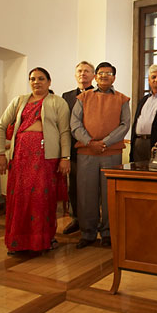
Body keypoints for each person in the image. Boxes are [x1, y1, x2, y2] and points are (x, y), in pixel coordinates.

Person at [0, 67, 71, 254]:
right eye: (32, 79)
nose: (36, 82)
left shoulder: (58, 103)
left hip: (46, 160)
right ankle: (17, 242)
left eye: (41, 78)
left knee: (41, 200)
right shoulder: (19, 101)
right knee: (19, 200)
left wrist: (65, 157)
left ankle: (43, 241)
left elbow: (64, 132)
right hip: (20, 159)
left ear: (49, 82)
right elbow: (0, 127)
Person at [71, 62, 130, 249]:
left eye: (109, 73)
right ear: (95, 77)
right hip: (86, 153)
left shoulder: (122, 99)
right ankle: (87, 233)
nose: (104, 76)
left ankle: (108, 233)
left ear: (114, 77)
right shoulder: (83, 97)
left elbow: (125, 125)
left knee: (109, 194)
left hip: (110, 153)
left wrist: (105, 142)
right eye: (101, 73)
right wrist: (90, 142)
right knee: (86, 194)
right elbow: (75, 124)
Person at [61, 61, 95, 235]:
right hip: (73, 150)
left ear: (93, 75)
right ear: (75, 75)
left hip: (92, 148)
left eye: (87, 71)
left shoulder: (99, 94)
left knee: (91, 188)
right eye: (80, 71)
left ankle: (93, 221)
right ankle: (76, 219)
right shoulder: (66, 96)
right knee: (73, 186)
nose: (83, 74)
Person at [130, 64, 157, 162]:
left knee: (155, 175)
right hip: (138, 143)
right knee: (137, 174)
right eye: (153, 77)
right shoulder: (144, 99)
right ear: (149, 80)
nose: (156, 79)